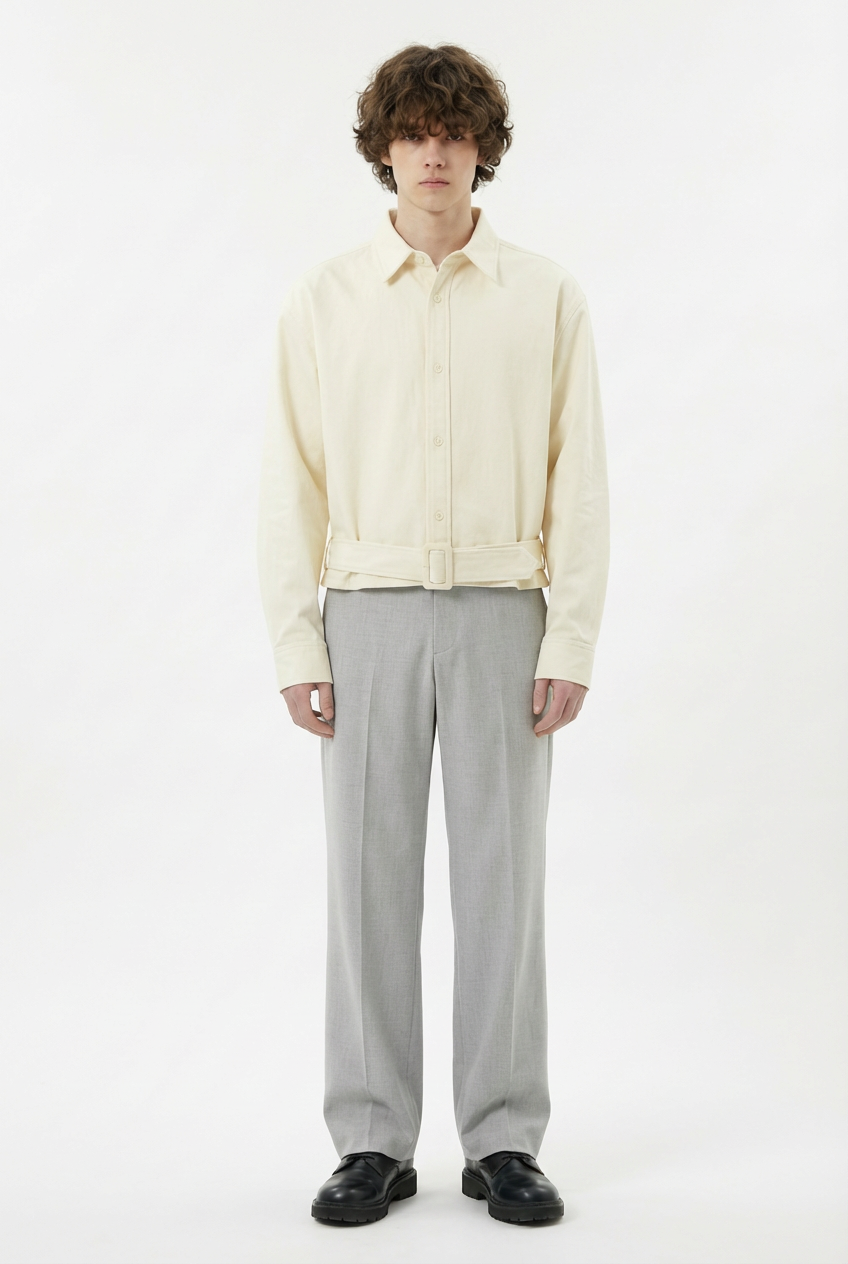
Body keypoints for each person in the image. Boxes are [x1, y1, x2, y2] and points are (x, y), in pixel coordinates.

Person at [256, 41, 610, 1226]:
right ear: (385, 149)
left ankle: (502, 1137)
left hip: (506, 614)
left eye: (454, 133)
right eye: (413, 133)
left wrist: (568, 637)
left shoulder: (544, 297)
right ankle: (372, 1137)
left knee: (503, 882)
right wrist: (298, 645)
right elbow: (288, 483)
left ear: (481, 150)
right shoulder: (324, 300)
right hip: (365, 616)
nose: (434, 154)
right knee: (366, 881)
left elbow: (579, 480)